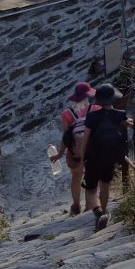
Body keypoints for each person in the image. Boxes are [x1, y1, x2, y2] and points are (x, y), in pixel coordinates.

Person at [81, 82, 128, 232]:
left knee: (91, 188)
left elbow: (85, 138)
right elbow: (124, 129)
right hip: (110, 155)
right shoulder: (120, 115)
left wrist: (82, 157)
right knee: (105, 185)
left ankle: (98, 212)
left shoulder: (91, 117)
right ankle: (105, 210)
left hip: (94, 156)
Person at [51, 82, 97, 215]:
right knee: (90, 176)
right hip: (92, 150)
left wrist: (60, 153)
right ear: (88, 96)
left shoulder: (67, 113)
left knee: (76, 177)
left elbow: (66, 136)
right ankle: (89, 206)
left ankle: (76, 205)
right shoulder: (95, 108)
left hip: (75, 152)